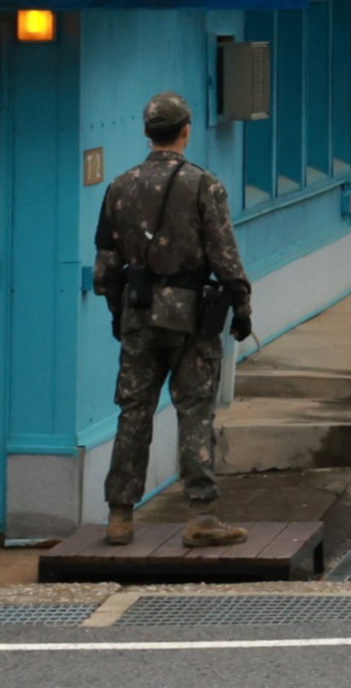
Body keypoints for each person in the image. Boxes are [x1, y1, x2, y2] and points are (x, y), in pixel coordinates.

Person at [94, 92, 254, 548]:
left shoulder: (119, 187)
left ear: (147, 133)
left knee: (133, 412)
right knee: (195, 411)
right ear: (186, 131)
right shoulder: (204, 185)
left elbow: (106, 266)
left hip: (138, 315)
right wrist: (241, 306)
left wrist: (118, 311)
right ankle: (201, 514)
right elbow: (225, 256)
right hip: (191, 319)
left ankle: (120, 516)